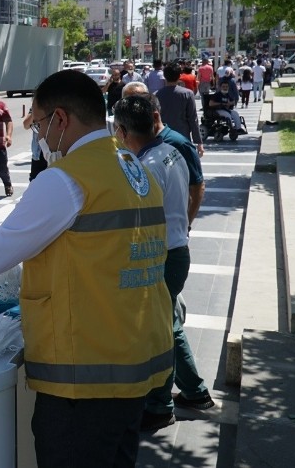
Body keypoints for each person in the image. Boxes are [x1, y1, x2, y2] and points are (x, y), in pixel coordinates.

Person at [0, 69, 172, 468]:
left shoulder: (67, 179)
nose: (40, 137)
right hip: (134, 363)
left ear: (61, 119)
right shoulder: (134, 167)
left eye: (40, 125)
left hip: (85, 379)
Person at [112, 95, 214, 432]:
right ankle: (195, 392)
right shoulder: (170, 152)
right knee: (168, 324)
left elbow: (139, 221)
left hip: (163, 255)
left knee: (161, 332)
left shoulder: (147, 167)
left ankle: (159, 405)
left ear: (122, 131)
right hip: (175, 250)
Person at [122, 82, 205, 227]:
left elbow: (197, 187)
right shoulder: (125, 140)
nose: (132, 110)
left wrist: (186, 225)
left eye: (137, 103)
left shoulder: (178, 143)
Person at [156, 64, 205, 156]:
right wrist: (199, 142)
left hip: (162, 138)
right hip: (182, 137)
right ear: (179, 76)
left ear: (164, 76)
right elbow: (193, 119)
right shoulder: (187, 94)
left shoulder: (156, 95)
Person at [23, 110, 48, 180]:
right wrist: (35, 111)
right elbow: (26, 125)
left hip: (54, 152)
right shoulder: (35, 107)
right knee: (34, 180)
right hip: (38, 153)